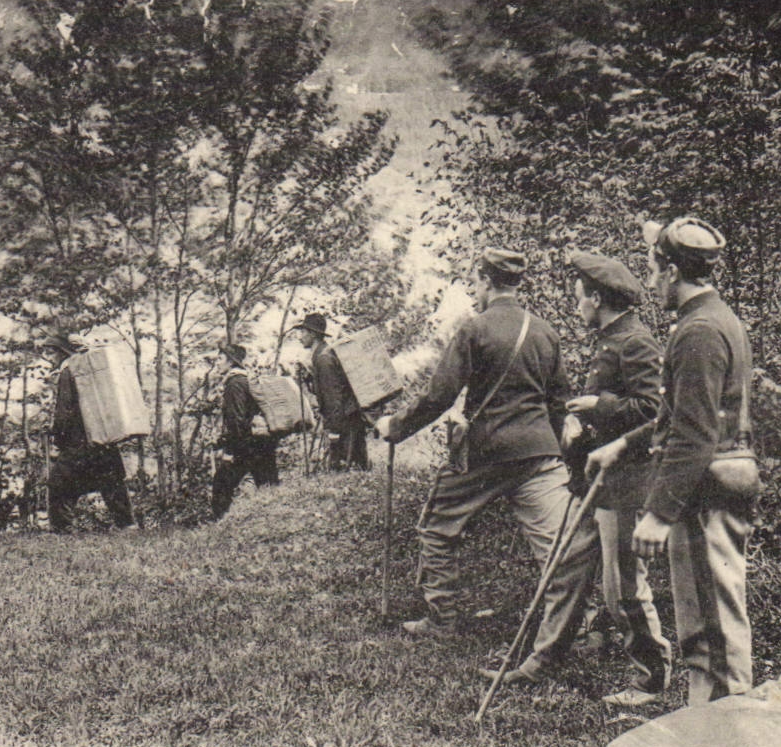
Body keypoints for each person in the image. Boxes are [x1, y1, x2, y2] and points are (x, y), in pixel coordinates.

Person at [375, 248, 599, 685]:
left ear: (484, 280)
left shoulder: (475, 329)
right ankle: (589, 624)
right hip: (539, 454)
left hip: (485, 453)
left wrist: (396, 427)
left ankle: (443, 620)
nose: (473, 291)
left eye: (474, 283)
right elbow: (559, 403)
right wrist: (560, 456)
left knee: (438, 528)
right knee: (560, 546)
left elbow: (439, 396)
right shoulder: (546, 331)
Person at [588, 217, 758, 705]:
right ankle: (708, 724)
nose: (651, 281)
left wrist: (658, 514)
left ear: (669, 271)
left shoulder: (698, 331)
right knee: (710, 620)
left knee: (711, 628)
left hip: (706, 488)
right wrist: (624, 444)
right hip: (718, 478)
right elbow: (681, 414)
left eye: (652, 268)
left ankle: (719, 741)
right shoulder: (716, 319)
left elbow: (693, 433)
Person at [562, 250, 672, 706]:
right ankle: (560, 651)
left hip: (628, 482)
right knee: (586, 573)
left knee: (623, 585)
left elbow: (654, 413)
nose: (577, 307)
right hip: (600, 478)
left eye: (580, 299)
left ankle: (651, 676)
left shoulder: (636, 342)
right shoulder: (610, 338)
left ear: (597, 298)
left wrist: (597, 406)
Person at [43, 332, 135, 532]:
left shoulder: (68, 372)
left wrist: (58, 435)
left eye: (51, 353)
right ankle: (127, 525)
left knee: (58, 483)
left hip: (78, 441)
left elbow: (64, 411)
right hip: (102, 436)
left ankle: (62, 529)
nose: (49, 358)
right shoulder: (89, 371)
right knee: (111, 481)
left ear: (61, 353)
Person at [211, 341, 280, 520]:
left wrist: (230, 451)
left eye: (220, 359)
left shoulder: (234, 384)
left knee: (222, 484)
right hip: (263, 441)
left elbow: (237, 420)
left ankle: (221, 524)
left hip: (247, 444)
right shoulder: (246, 379)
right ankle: (276, 520)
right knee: (268, 486)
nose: (216, 363)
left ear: (230, 362)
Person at [292, 312, 369, 472]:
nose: (300, 337)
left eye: (303, 332)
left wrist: (334, 431)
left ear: (313, 334)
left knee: (346, 471)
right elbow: (325, 390)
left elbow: (333, 398)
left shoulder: (323, 359)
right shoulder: (323, 355)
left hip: (345, 423)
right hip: (348, 419)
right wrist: (308, 378)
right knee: (353, 470)